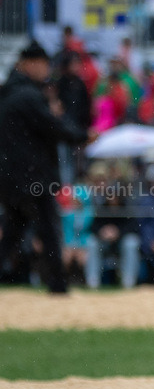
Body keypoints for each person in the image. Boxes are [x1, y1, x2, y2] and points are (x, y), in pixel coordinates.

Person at [0, 42, 89, 293]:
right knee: (48, 229)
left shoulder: (8, 93)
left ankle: (56, 283)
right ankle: (58, 285)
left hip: (11, 176)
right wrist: (82, 135)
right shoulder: (28, 96)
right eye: (43, 65)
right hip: (32, 176)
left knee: (14, 231)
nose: (46, 70)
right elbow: (52, 127)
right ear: (29, 64)